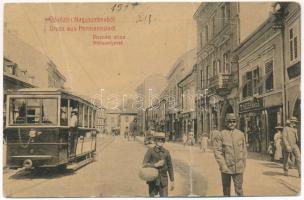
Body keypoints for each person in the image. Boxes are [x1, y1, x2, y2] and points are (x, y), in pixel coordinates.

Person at [214, 113, 247, 196]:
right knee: (226, 191)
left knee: (239, 190)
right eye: (229, 121)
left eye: (234, 121)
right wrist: (223, 166)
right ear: (226, 122)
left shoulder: (240, 134)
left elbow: (244, 151)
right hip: (226, 168)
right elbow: (218, 152)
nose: (232, 123)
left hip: (238, 168)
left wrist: (243, 164)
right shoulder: (221, 135)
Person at [143, 132, 174, 197]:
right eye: (158, 139)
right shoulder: (150, 151)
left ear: (164, 141)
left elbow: (170, 167)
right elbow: (144, 164)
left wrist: (172, 180)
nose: (160, 141)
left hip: (163, 181)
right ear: (155, 140)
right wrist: (155, 165)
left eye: (162, 139)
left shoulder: (166, 152)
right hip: (153, 180)